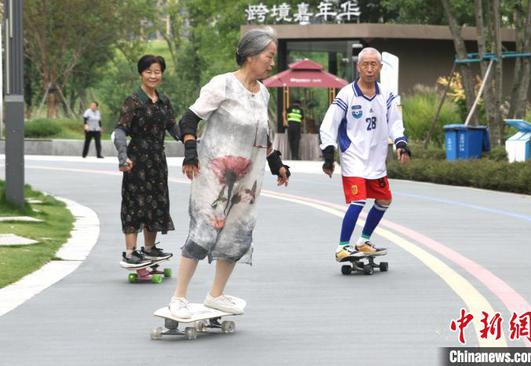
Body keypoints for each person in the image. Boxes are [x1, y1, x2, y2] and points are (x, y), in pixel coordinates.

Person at [168, 28, 290, 318]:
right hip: (215, 173)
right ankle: (179, 297)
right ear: (250, 56)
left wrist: (277, 164)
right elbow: (189, 119)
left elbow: (265, 134)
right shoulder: (222, 84)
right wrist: (189, 153)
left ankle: (215, 295)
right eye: (268, 57)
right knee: (204, 230)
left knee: (237, 233)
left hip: (248, 177)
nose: (272, 63)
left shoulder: (263, 93)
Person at [319, 47, 411, 262]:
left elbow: (396, 124)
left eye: (373, 64)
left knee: (384, 199)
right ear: (358, 67)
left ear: (379, 67)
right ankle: (342, 246)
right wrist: (329, 155)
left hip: (376, 159)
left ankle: (363, 241)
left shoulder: (387, 95)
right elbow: (328, 124)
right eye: (365, 64)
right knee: (358, 200)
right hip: (353, 157)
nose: (369, 69)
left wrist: (401, 144)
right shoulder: (347, 94)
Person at [113, 55, 180, 268]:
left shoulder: (163, 101)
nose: (153, 75)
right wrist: (123, 156)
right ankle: (130, 251)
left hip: (158, 160)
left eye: (157, 71)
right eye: (149, 71)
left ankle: (149, 249)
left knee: (156, 202)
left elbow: (173, 126)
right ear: (141, 73)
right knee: (135, 203)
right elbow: (120, 129)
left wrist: (190, 141)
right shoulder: (133, 100)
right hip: (136, 160)